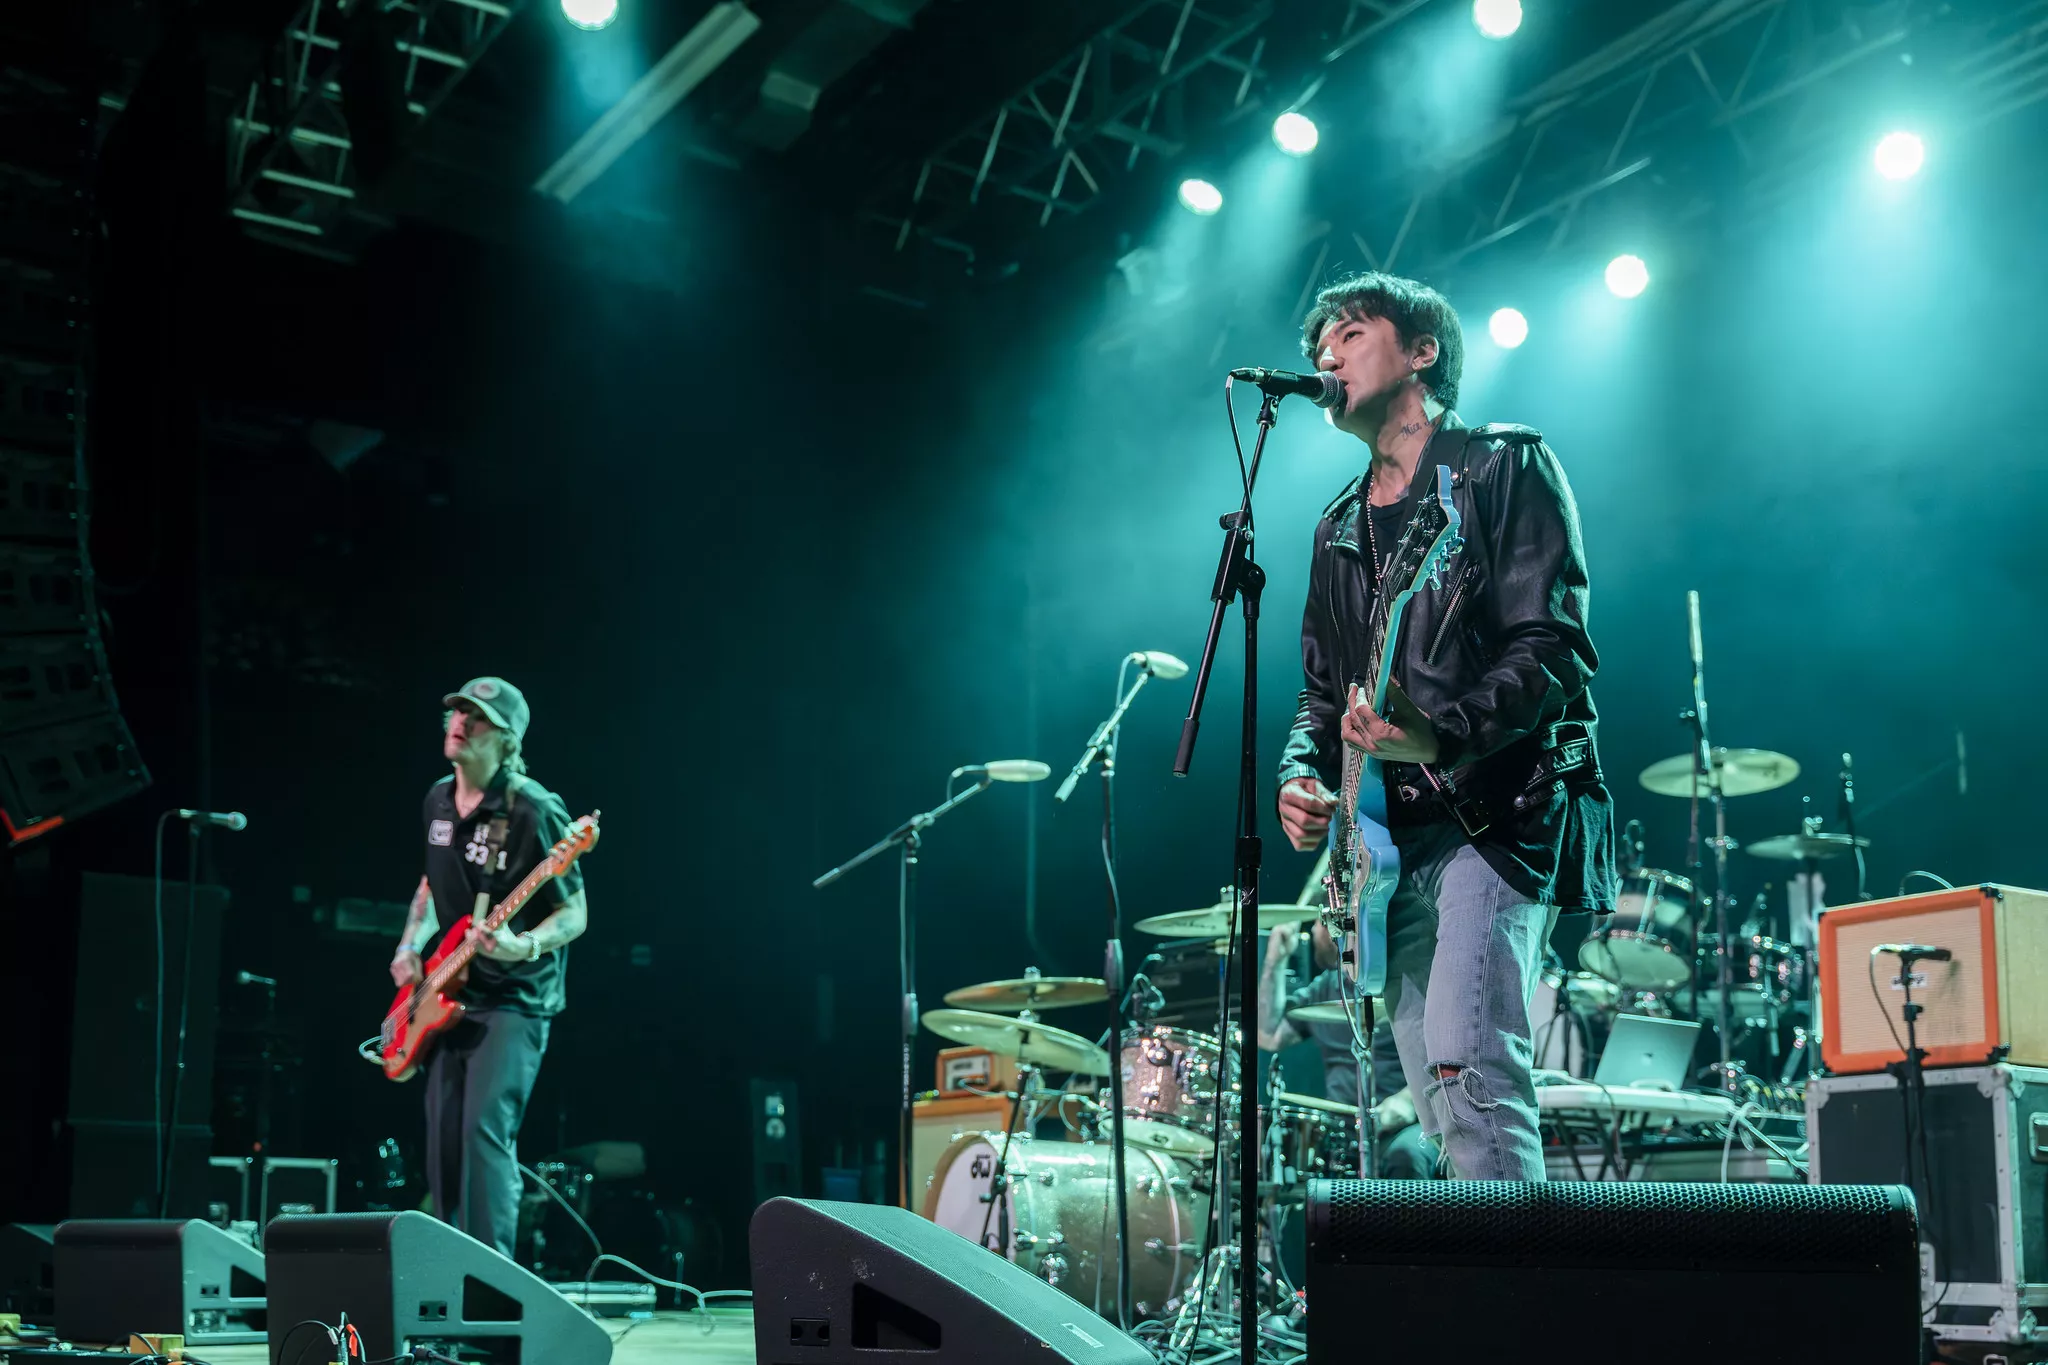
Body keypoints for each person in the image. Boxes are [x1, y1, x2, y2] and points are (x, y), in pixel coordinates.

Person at [1275, 272, 1616, 1182]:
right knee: (1436, 1094)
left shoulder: (1502, 466)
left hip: (1499, 810)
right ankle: (1489, 1303)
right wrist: (1301, 777)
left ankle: (1529, 1318)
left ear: (1421, 351)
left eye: (1349, 333)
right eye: (1320, 343)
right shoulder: (1338, 526)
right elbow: (1322, 694)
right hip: (1388, 841)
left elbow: (1553, 647)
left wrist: (1443, 732)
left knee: (1471, 1069)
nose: (1324, 354)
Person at [389, 677, 589, 1256]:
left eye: (474, 717)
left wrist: (521, 946)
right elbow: (431, 882)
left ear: (505, 738)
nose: (458, 721)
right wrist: (409, 947)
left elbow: (574, 912)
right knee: (442, 1143)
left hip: (516, 999)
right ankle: (448, 1290)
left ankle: (492, 1290)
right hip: (448, 989)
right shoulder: (437, 799)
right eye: (455, 710)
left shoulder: (533, 807)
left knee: (483, 1137)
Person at [1257, 920, 1435, 1179]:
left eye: (1317, 923)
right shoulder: (1326, 987)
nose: (1313, 932)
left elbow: (1448, 1055)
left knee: (1407, 1157)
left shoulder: (1406, 977)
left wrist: (1407, 1102)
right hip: (1341, 1130)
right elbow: (1268, 1035)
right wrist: (1276, 959)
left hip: (1406, 1125)